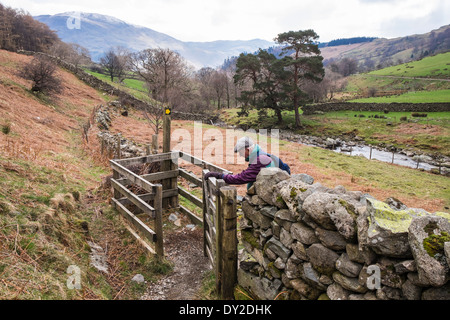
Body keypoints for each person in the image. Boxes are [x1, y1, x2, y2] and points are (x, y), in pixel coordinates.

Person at [204, 136, 290, 189]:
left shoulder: (259, 160)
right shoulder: (262, 155)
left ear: (247, 149)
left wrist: (219, 176)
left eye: (241, 152)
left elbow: (241, 178)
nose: (241, 155)